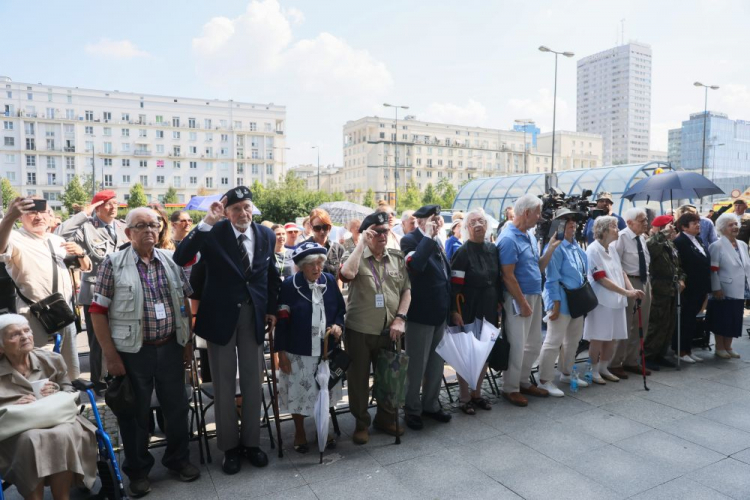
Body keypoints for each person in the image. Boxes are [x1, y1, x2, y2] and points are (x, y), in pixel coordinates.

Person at [89, 207, 199, 496]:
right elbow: (97, 312)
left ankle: (178, 460)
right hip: (132, 352)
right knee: (135, 414)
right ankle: (137, 471)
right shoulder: (113, 263)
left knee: (176, 408)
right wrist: (110, 356)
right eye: (141, 225)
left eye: (154, 224)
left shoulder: (170, 260)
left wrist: (186, 343)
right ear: (129, 232)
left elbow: (185, 305)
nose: (149, 230)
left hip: (171, 348)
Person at [172, 186, 280, 475]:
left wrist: (271, 307)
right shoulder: (213, 233)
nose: (242, 213)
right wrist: (206, 222)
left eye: (246, 207)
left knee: (253, 382)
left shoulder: (266, 235)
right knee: (222, 384)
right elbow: (181, 258)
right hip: (220, 318)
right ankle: (230, 448)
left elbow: (270, 275)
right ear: (226, 212)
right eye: (235, 209)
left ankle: (252, 443)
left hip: (253, 316)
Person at [0, 314, 98, 500]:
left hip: (58, 419)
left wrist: (58, 389)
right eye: (14, 335)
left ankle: (62, 497)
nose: (25, 337)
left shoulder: (51, 359)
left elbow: (70, 392)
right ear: (1, 347)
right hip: (15, 431)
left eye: (27, 331)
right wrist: (13, 404)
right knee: (30, 438)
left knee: (62, 434)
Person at [0, 197, 91, 380]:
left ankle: (71, 404)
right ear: (21, 217)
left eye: (43, 212)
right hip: (35, 316)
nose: (39, 216)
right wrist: (9, 216)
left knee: (70, 370)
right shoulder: (16, 237)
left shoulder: (57, 240)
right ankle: (44, 405)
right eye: (32, 212)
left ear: (50, 216)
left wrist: (81, 253)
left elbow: (86, 267)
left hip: (63, 313)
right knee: (39, 370)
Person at [340, 211, 410, 444]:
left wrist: (400, 318)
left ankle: (386, 418)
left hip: (389, 330)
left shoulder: (396, 258)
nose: (382, 235)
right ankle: (361, 423)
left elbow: (406, 290)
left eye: (385, 231)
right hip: (360, 330)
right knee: (358, 381)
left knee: (388, 377)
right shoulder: (356, 256)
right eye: (376, 232)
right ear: (367, 234)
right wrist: (361, 242)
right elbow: (346, 274)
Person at [275, 243, 346, 452]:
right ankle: (299, 431)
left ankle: (323, 428)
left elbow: (339, 309)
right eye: (311, 265)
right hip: (298, 350)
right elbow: (282, 321)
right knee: (298, 392)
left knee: (326, 392)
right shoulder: (289, 286)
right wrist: (281, 353)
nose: (317, 268)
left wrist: (338, 326)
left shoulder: (329, 281)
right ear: (301, 267)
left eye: (319, 263)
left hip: (326, 350)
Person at [57, 189, 129, 393]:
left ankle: (121, 374)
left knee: (123, 335)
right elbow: (59, 234)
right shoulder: (86, 227)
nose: (113, 207)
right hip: (95, 290)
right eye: (107, 203)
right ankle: (100, 382)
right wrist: (85, 213)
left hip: (123, 291)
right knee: (98, 340)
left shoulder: (123, 226)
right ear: (97, 207)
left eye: (115, 203)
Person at [496, 195, 559, 406]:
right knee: (517, 344)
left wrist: (550, 248)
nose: (540, 217)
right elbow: (507, 276)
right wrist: (522, 302)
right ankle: (510, 387)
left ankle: (522, 381)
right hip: (517, 298)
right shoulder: (508, 238)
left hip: (533, 295)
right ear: (526, 213)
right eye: (538, 212)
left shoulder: (529, 235)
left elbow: (538, 268)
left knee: (533, 344)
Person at [400, 204, 452, 429]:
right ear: (420, 221)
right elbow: (416, 265)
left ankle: (430, 404)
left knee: (435, 364)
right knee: (416, 366)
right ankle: (412, 409)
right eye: (433, 218)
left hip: (439, 312)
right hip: (420, 314)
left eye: (438, 218)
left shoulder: (436, 240)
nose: (438, 222)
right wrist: (429, 238)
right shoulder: (410, 240)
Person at [449, 208, 501, 413]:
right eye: (473, 222)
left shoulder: (492, 249)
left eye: (481, 221)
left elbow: (497, 279)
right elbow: (454, 285)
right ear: (467, 228)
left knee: (484, 351)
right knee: (466, 352)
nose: (478, 225)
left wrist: (498, 301)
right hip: (467, 307)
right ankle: (464, 397)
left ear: (487, 225)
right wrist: (454, 310)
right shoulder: (462, 253)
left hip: (488, 306)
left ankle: (477, 393)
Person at [584, 216, 644, 384]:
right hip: (601, 301)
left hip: (617, 300)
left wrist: (631, 289)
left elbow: (622, 272)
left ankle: (604, 367)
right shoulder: (593, 250)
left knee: (612, 337)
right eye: (614, 227)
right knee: (598, 337)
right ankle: (593, 371)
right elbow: (601, 278)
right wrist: (626, 292)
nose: (618, 230)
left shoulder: (612, 249)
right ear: (603, 230)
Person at [537, 209, 589, 397]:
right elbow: (551, 278)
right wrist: (555, 304)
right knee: (553, 341)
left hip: (577, 301)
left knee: (573, 340)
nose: (571, 223)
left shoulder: (577, 248)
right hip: (561, 301)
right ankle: (544, 380)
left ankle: (566, 372)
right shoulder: (555, 248)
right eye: (566, 221)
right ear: (557, 225)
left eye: (573, 220)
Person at [610, 207, 652, 379]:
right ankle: (615, 362)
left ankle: (632, 360)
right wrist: (626, 289)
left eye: (646, 220)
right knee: (626, 324)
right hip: (629, 283)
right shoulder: (621, 238)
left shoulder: (642, 238)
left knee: (642, 323)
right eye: (642, 221)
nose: (646, 223)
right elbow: (616, 265)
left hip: (644, 281)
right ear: (629, 222)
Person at [643, 215, 684, 370]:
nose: (672, 229)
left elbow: (677, 265)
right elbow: (651, 248)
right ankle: (647, 355)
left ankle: (660, 354)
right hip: (659, 287)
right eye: (669, 226)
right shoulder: (653, 241)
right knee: (657, 323)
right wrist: (663, 234)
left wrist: (681, 278)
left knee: (669, 323)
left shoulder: (670, 245)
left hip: (672, 288)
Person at [707, 213, 750, 359]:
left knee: (735, 318)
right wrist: (716, 288)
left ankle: (729, 346)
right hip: (724, 289)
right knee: (722, 318)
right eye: (731, 225)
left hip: (740, 288)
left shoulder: (743, 245)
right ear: (722, 228)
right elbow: (713, 270)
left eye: (736, 224)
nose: (735, 227)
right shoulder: (716, 246)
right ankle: (720, 347)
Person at [672, 212, 711, 364]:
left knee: (693, 319)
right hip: (688, 287)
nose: (697, 225)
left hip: (701, 286)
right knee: (685, 319)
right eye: (693, 223)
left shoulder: (699, 240)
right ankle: (680, 350)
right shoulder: (680, 241)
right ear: (683, 226)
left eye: (698, 222)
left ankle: (688, 349)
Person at [305, 209, 346, 280]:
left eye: (325, 227)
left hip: (332, 290)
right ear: (311, 227)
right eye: (317, 228)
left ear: (330, 227)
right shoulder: (304, 248)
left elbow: (338, 277)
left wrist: (338, 290)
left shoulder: (338, 248)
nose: (322, 232)